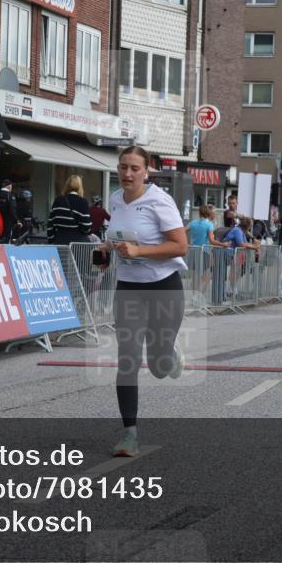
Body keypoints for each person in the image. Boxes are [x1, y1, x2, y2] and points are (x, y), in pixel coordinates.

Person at [98, 146, 188, 457]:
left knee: (160, 367)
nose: (127, 173)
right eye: (123, 167)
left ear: (146, 171)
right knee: (128, 360)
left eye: (134, 168)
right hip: (129, 288)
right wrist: (106, 249)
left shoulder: (159, 200)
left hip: (164, 287)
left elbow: (181, 246)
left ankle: (169, 353)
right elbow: (118, 235)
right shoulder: (115, 199)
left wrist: (139, 252)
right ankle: (129, 435)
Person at [47, 174, 92, 245]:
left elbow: (50, 224)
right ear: (80, 187)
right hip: (77, 245)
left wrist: (52, 241)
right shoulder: (83, 202)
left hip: (60, 242)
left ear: (67, 186)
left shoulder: (58, 200)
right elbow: (86, 227)